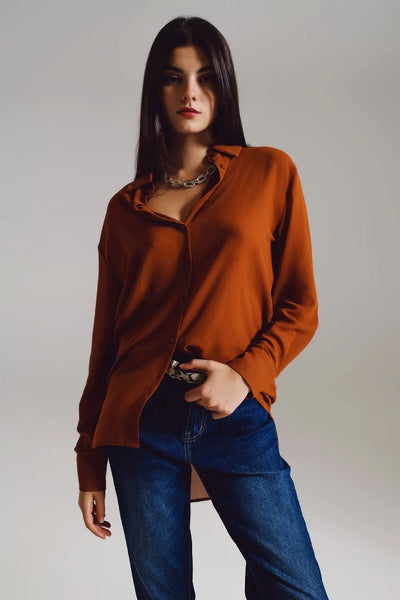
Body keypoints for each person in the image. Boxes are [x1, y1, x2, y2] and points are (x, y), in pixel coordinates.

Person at [74, 15, 330, 600]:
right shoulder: (125, 210)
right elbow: (105, 344)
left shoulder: (269, 172)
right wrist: (89, 461)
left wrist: (244, 375)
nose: (190, 92)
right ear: (155, 90)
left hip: (234, 415)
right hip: (140, 424)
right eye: (174, 78)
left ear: (224, 86)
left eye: (205, 77)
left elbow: (300, 306)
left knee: (297, 589)